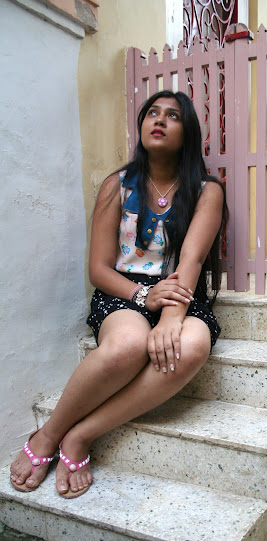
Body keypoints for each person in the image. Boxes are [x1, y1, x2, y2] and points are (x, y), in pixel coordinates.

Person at [10, 90, 227, 498]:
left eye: (172, 116)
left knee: (192, 345)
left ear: (188, 132)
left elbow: (192, 259)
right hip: (124, 293)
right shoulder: (117, 186)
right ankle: (48, 434)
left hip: (180, 292)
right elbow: (98, 269)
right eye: (152, 113)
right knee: (128, 345)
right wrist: (143, 297)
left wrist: (170, 318)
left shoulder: (205, 190)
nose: (159, 120)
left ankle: (80, 434)